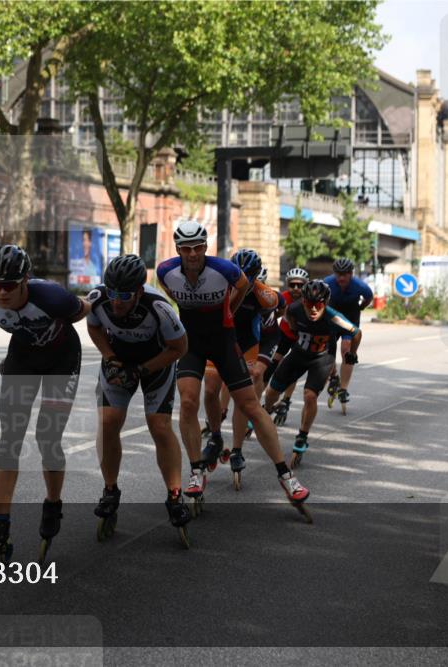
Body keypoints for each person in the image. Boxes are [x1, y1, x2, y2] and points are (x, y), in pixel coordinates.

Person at [156, 221, 310, 518]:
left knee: (250, 405)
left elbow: (245, 288)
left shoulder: (225, 270)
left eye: (198, 248)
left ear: (206, 247)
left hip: (224, 341)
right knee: (188, 400)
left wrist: (228, 311)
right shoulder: (166, 271)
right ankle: (197, 470)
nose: (192, 254)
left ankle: (286, 476)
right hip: (192, 343)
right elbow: (173, 296)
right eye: (186, 249)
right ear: (178, 249)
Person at [0, 245, 91, 566]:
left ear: (25, 280)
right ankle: (0, 525)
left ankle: (53, 503)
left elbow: (83, 309)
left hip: (62, 358)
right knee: (10, 438)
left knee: (47, 438)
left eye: (9, 285)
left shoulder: (53, 297)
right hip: (22, 358)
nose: (2, 292)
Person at [86, 254, 192, 546]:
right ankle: (110, 490)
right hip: (119, 360)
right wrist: (110, 357)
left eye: (124, 296)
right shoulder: (98, 299)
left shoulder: (158, 307)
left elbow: (180, 348)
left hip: (156, 362)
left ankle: (175, 495)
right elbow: (94, 327)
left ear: (139, 292)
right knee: (108, 422)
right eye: (112, 293)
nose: (116, 302)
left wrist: (142, 370)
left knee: (159, 426)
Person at [199, 249, 280, 490]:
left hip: (247, 346)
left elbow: (273, 333)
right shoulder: (217, 285)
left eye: (248, 277)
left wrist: (263, 362)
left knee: (244, 398)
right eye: (237, 274)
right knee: (210, 389)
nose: (241, 280)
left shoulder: (264, 296)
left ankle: (236, 449)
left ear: (256, 277)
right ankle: (215, 436)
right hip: (220, 341)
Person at [264, 279, 361, 467]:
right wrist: (294, 332)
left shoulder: (334, 317)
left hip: (322, 359)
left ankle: (302, 436)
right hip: (299, 354)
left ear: (326, 303)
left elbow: (356, 332)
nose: (314, 309)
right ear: (303, 301)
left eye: (319, 305)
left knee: (310, 396)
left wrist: (352, 353)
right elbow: (289, 320)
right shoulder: (294, 309)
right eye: (309, 304)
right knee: (272, 392)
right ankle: (266, 410)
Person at [324, 258, 373, 412]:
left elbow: (368, 298)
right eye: (338, 274)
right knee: (327, 352)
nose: (341, 278)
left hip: (350, 320)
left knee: (347, 351)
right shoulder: (327, 283)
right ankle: (333, 376)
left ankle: (343, 389)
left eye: (345, 274)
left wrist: (361, 307)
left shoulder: (361, 286)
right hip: (333, 319)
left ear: (351, 274)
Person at [265, 267, 309, 425]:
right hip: (283, 335)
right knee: (271, 366)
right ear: (287, 285)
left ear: (305, 285)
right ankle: (261, 400)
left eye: (300, 285)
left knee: (292, 368)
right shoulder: (282, 297)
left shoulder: (309, 299)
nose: (296, 288)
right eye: (292, 285)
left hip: (300, 337)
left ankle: (286, 400)